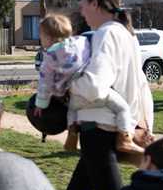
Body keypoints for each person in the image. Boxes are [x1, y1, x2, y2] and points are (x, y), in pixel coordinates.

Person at [62, 0, 154, 190]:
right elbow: (142, 85)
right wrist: (143, 125)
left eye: (83, 6)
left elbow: (93, 86)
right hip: (108, 131)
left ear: (95, 3)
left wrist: (67, 85)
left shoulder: (106, 33)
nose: (81, 12)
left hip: (99, 132)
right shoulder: (127, 34)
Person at [35, 14, 141, 154]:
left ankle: (72, 136)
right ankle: (125, 137)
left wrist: (40, 104)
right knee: (122, 108)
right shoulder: (82, 42)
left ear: (48, 37)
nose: (40, 39)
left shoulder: (49, 58)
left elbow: (45, 83)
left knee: (72, 112)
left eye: (41, 36)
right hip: (91, 85)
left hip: (74, 95)